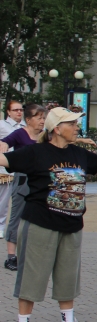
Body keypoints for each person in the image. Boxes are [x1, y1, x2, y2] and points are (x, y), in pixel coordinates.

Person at [2, 107, 97, 322]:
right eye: (71, 124)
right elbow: (6, 159)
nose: (76, 128)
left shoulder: (79, 154)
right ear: (57, 129)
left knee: (67, 278)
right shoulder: (35, 153)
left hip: (71, 226)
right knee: (32, 277)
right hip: (40, 224)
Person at [4, 104, 49, 272]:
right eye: (39, 118)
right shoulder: (20, 133)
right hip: (23, 180)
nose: (42, 121)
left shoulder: (45, 136)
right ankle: (11, 257)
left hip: (41, 181)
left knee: (39, 216)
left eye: (43, 118)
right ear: (28, 120)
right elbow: (4, 143)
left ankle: (33, 253)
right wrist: (3, 147)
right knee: (17, 216)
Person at [0, 100, 24, 270]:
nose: (19, 112)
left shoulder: (24, 127)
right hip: (5, 170)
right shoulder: (2, 125)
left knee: (12, 205)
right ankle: (1, 228)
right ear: (8, 112)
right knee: (2, 203)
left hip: (20, 172)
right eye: (15, 110)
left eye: (21, 110)